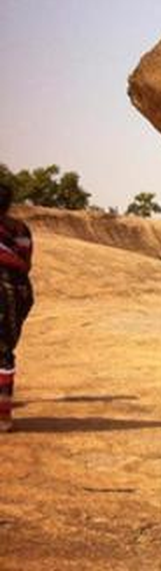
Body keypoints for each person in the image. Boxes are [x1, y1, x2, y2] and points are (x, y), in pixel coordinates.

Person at [0, 184, 34, 434]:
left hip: (6, 294)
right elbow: (26, 263)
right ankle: (4, 416)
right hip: (19, 293)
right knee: (4, 351)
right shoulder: (20, 229)